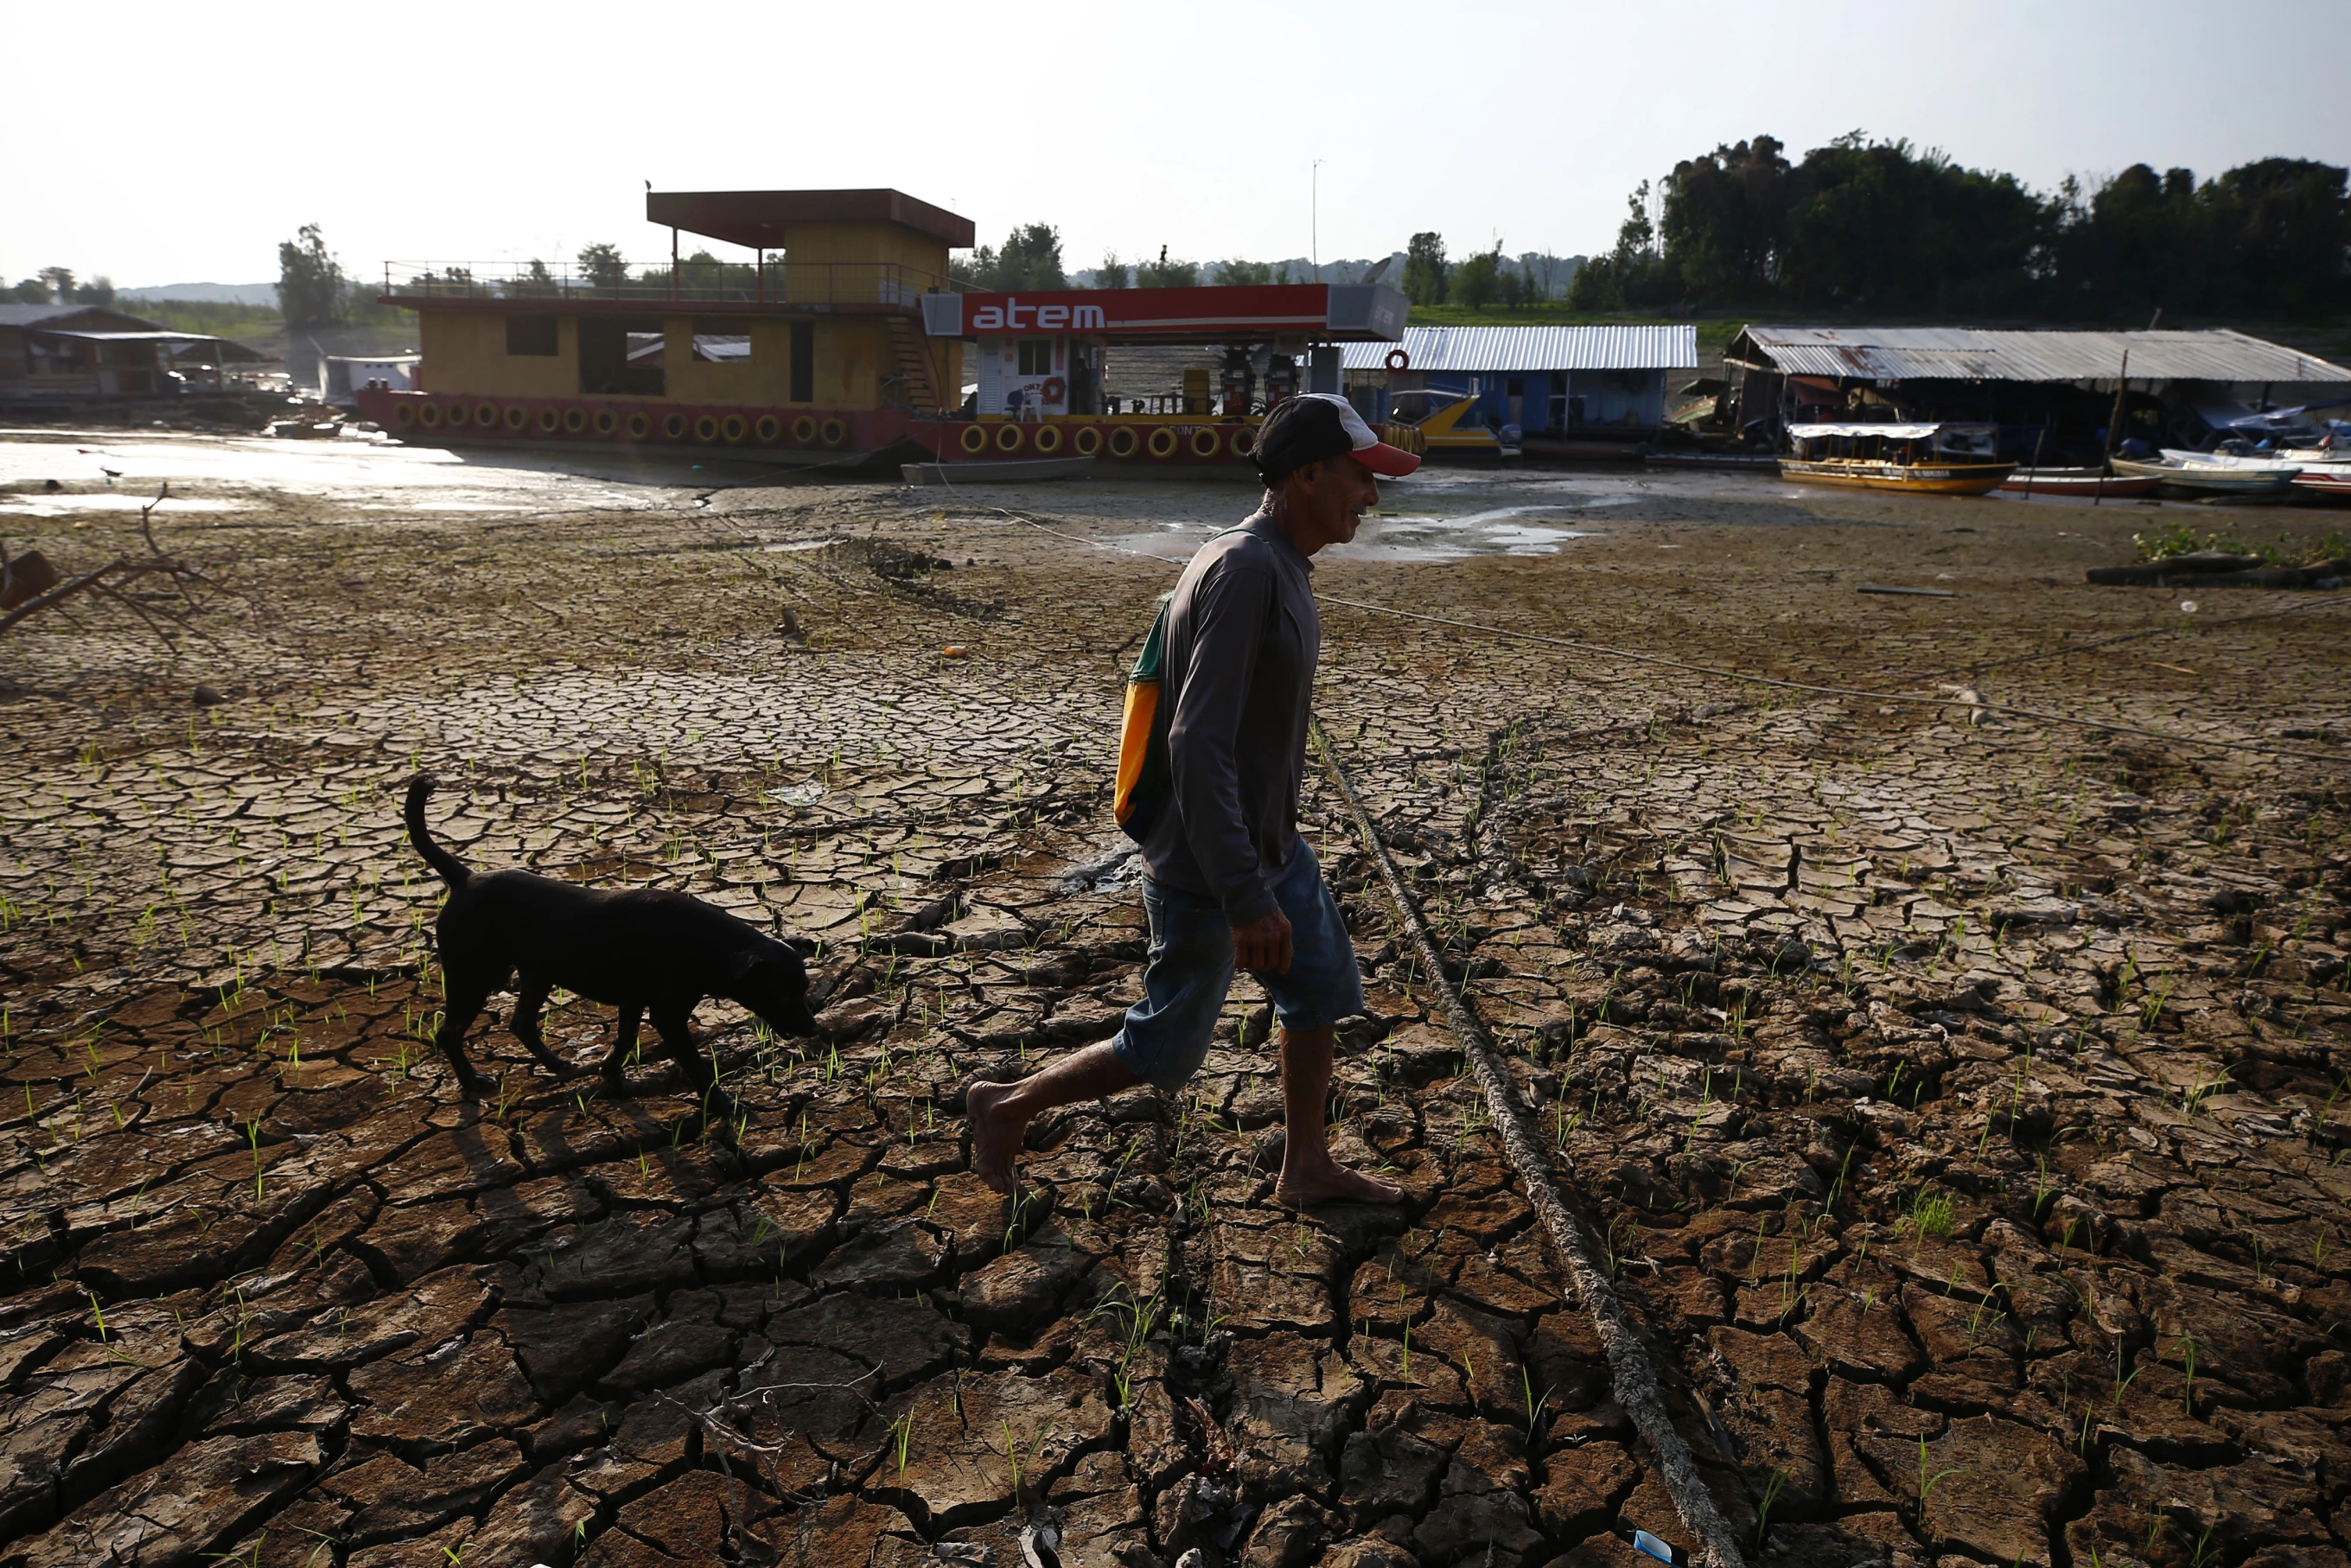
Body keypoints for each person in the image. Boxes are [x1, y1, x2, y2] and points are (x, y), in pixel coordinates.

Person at [968, 393, 1420, 1206]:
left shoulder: (1276, 562)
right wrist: (1245, 898)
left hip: (1271, 848)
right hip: (1213, 871)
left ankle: (1306, 1166)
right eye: (1360, 477)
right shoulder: (1245, 571)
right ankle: (1006, 1104)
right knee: (1166, 1047)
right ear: (1307, 473)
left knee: (1318, 992)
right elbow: (1195, 741)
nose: (1372, 497)